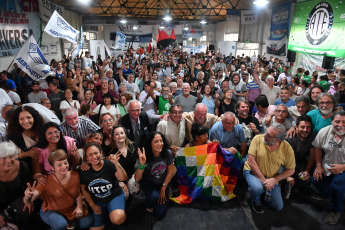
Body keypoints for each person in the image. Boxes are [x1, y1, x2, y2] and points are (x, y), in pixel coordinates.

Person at [23, 149, 93, 230]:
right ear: (52, 167)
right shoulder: (46, 180)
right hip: (50, 210)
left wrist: (79, 206)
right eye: (59, 165)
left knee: (88, 221)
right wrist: (28, 197)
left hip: (70, 209)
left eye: (65, 163)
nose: (64, 167)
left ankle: (67, 225)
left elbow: (79, 193)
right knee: (60, 224)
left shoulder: (75, 175)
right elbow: (32, 196)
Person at [243, 123, 295, 213]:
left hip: (272, 177)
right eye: (266, 132)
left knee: (278, 206)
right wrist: (264, 181)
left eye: (269, 135)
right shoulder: (257, 139)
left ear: (277, 140)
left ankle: (263, 192)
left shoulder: (287, 148)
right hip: (252, 172)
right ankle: (256, 201)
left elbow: (291, 170)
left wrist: (275, 180)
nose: (265, 135)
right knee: (256, 187)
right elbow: (251, 161)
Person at [80, 143, 127, 229]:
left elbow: (123, 178)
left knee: (118, 219)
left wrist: (116, 163)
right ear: (86, 158)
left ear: (101, 153)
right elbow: (84, 190)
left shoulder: (109, 164)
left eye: (96, 153)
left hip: (114, 196)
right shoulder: (84, 170)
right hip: (97, 201)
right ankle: (106, 214)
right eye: (90, 155)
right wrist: (92, 205)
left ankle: (113, 210)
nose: (94, 157)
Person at [312, 110, 345, 225]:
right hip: (327, 165)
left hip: (344, 168)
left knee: (337, 186)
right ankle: (331, 195)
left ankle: (336, 211)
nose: (340, 125)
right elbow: (317, 147)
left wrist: (343, 167)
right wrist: (318, 165)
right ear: (331, 121)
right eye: (337, 121)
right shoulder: (324, 131)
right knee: (316, 179)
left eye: (344, 122)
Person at [134, 132, 176, 219]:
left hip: (163, 182)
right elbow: (137, 178)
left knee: (159, 214)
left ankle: (166, 192)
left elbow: (171, 171)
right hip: (148, 182)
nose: (160, 144)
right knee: (154, 196)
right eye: (156, 141)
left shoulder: (167, 153)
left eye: (161, 141)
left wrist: (164, 188)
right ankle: (148, 202)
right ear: (150, 143)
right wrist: (142, 164)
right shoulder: (144, 156)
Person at [0, 142, 34, 229]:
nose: (8, 161)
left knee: (27, 210)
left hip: (17, 203)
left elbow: (28, 186)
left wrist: (29, 199)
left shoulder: (22, 166)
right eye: (3, 158)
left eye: (11, 156)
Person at [286, 115, 316, 196]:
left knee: (305, 180)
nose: (305, 130)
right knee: (287, 188)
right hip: (286, 166)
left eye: (308, 127)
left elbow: (312, 155)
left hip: (299, 164)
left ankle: (298, 184)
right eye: (302, 127)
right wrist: (288, 175)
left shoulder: (312, 136)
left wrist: (306, 171)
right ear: (296, 127)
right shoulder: (290, 138)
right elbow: (284, 160)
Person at [7, 106, 45, 171]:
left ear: (34, 118)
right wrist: (26, 154)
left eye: (28, 117)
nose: (26, 121)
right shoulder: (14, 137)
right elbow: (11, 157)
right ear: (17, 121)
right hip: (28, 168)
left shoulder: (44, 130)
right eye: (21, 119)